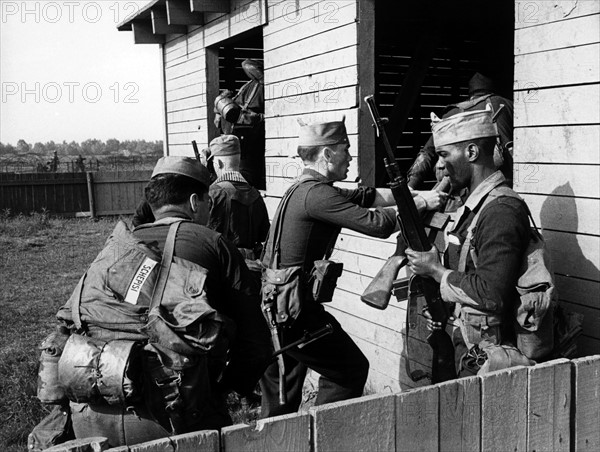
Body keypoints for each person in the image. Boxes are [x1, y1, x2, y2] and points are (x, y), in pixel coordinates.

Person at [51, 156, 271, 447]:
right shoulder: (213, 243)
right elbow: (256, 345)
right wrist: (222, 388)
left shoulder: (116, 247)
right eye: (207, 202)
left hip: (89, 416)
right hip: (174, 419)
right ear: (195, 202)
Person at [259, 118, 447, 417]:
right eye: (345, 150)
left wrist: (409, 193)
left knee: (283, 397)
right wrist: (422, 203)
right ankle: (326, 434)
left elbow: (368, 197)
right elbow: (378, 223)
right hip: (295, 313)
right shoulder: (317, 195)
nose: (350, 157)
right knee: (350, 370)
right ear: (327, 155)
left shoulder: (308, 189)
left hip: (280, 310)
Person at [405, 106, 530, 376]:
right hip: (467, 342)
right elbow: (468, 271)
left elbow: (491, 293)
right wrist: (444, 308)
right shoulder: (473, 207)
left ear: (472, 153)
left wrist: (436, 271)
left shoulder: (501, 210)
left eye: (444, 155)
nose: (439, 165)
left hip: (490, 355)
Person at [407, 72, 514, 189]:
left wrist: (411, 186)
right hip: (495, 183)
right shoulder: (504, 105)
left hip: (456, 186)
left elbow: (426, 153)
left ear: (471, 93)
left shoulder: (452, 113)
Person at [207, 135, 270, 264]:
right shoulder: (256, 195)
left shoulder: (212, 194)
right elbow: (264, 234)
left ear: (218, 163)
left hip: (221, 267)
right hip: (250, 269)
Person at [214, 59, 266, 189]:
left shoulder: (263, 86)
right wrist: (219, 111)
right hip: (237, 140)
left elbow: (265, 117)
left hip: (251, 141)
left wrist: (250, 118)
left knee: (247, 176)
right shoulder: (247, 86)